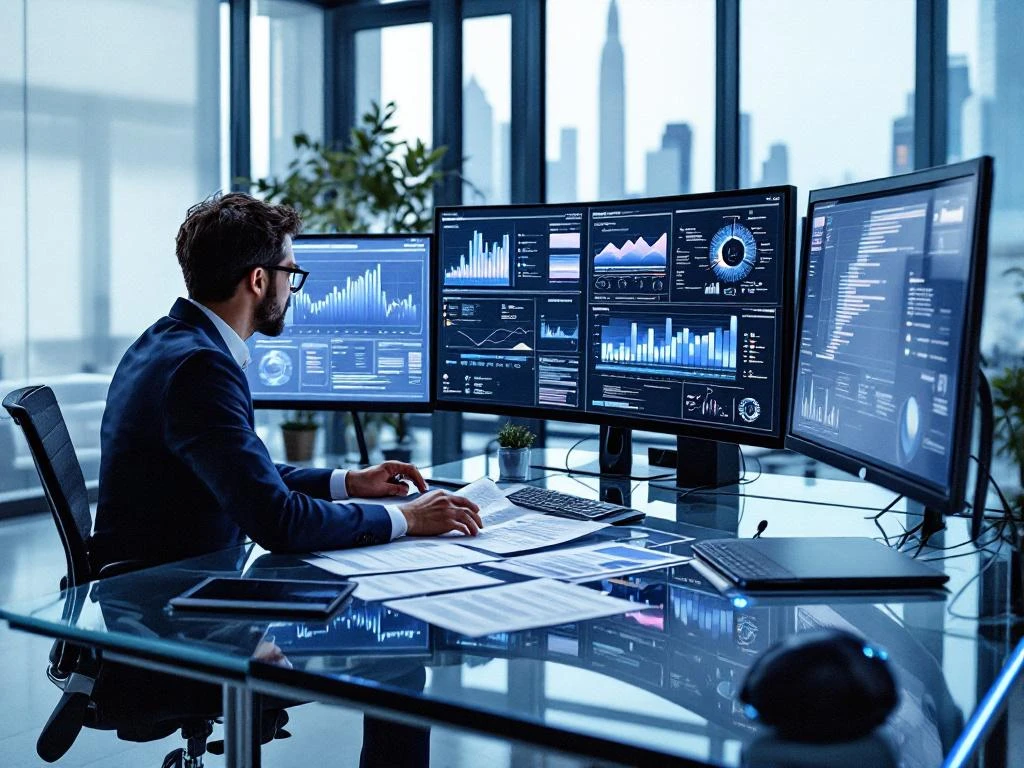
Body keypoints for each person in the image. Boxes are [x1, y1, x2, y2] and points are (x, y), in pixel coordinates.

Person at [91, 192, 482, 571]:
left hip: (162, 582)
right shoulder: (201, 368)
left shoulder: (165, 341)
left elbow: (246, 473)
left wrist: (348, 482)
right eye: (291, 273)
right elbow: (280, 521)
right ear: (258, 280)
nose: (293, 288)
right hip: (166, 597)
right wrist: (407, 520)